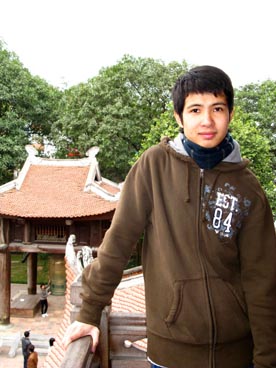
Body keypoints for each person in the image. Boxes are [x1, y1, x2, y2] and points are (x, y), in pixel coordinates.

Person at [62, 66, 276, 368]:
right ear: (179, 116)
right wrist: (89, 313)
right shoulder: (154, 166)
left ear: (230, 113)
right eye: (195, 109)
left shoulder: (247, 186)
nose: (207, 120)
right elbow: (119, 242)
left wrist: (267, 359)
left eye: (217, 108)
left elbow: (262, 278)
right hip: (169, 354)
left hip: (236, 354)